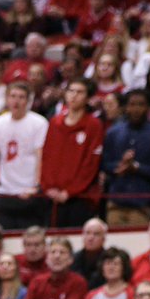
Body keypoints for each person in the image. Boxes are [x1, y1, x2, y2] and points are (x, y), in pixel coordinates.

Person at [0, 83, 49, 230]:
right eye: (13, 96)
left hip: (29, 192)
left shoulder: (39, 123)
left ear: (28, 101)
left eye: (21, 97)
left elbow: (41, 156)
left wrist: (37, 186)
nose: (16, 101)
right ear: (6, 98)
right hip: (5, 192)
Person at [41, 79, 105, 228]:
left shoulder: (94, 125)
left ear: (88, 98)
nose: (74, 95)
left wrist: (70, 191)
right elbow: (47, 157)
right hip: (52, 196)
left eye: (80, 92)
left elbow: (91, 164)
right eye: (71, 91)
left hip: (80, 198)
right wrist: (48, 187)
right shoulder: (55, 123)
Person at [101, 89, 150, 227]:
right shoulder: (113, 133)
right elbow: (104, 164)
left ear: (148, 108)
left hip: (143, 205)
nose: (136, 109)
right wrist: (120, 165)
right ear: (125, 107)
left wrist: (137, 167)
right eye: (132, 104)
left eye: (141, 104)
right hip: (115, 203)